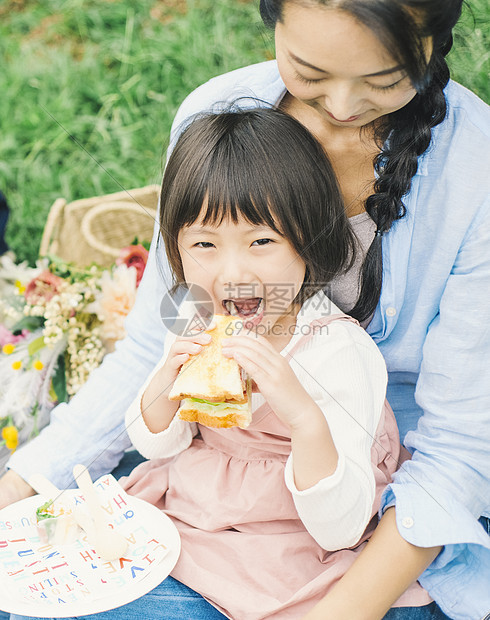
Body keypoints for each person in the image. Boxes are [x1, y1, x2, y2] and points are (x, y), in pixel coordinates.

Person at [1, 0, 489, 617]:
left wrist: (341, 609)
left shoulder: (477, 173)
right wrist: (22, 484)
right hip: (207, 490)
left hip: (358, 525)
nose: (340, 108)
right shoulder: (218, 119)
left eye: (382, 80)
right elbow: (161, 340)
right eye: (309, 74)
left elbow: (460, 451)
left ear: (431, 44)